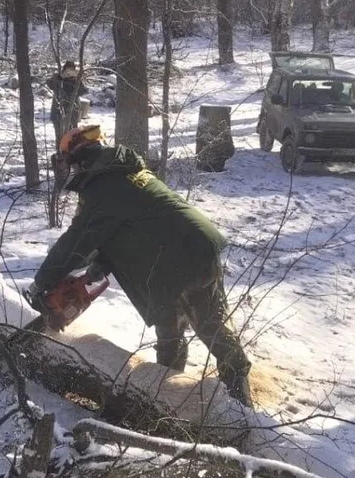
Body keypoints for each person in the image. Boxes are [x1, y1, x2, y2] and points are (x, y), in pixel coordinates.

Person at [24, 125, 254, 407]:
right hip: (179, 255)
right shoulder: (121, 174)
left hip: (183, 257)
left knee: (209, 327)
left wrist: (42, 282)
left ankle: (242, 408)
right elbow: (131, 226)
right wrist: (101, 264)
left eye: (69, 163)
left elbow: (77, 241)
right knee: (169, 333)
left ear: (79, 160)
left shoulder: (105, 187)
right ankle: (167, 400)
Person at [46, 61, 89, 143]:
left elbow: (83, 91)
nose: (69, 73)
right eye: (67, 70)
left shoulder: (76, 81)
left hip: (72, 112)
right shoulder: (58, 79)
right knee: (60, 137)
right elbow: (49, 84)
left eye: (71, 70)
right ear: (64, 70)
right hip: (58, 112)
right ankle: (60, 150)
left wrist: (77, 79)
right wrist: (59, 77)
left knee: (72, 137)